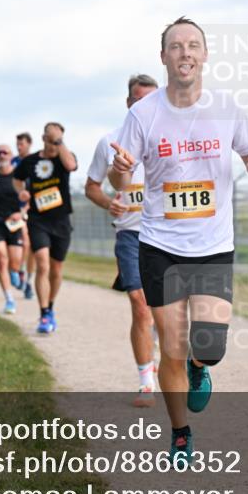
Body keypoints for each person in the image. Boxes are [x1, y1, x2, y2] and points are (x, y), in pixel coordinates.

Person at [109, 16, 248, 463]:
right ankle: (180, 432)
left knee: (209, 347)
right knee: (172, 345)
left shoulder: (226, 108)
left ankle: (203, 369)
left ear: (205, 55)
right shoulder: (143, 114)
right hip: (159, 243)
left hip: (213, 244)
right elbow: (118, 175)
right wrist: (120, 170)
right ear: (163, 57)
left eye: (193, 45)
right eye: (176, 46)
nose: (185, 53)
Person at [86, 73, 159, 406]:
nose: (145, 105)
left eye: (151, 99)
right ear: (129, 104)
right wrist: (108, 202)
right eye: (138, 100)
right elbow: (92, 186)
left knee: (167, 310)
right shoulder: (110, 141)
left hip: (167, 235)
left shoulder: (171, 137)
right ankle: (146, 380)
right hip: (130, 234)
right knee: (140, 305)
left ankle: (166, 353)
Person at [13, 122, 78, 334]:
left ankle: (50, 306)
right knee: (42, 264)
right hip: (38, 219)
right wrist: (22, 192)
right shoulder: (30, 161)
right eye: (51, 141)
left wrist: (61, 144)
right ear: (43, 138)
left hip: (61, 220)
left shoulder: (64, 157)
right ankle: (43, 314)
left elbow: (71, 166)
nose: (53, 145)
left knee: (56, 269)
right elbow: (17, 179)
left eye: (57, 141)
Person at [0, 144, 28, 314]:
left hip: (14, 223)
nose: (2, 155)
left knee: (14, 262)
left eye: (5, 152)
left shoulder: (19, 175)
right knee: (1, 258)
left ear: (11, 156)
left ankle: (16, 272)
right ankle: (9, 299)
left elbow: (29, 199)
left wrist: (21, 212)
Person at [11, 131, 36, 299]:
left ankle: (28, 280)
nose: (19, 147)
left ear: (29, 144)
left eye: (22, 144)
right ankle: (19, 270)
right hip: (14, 210)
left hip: (31, 209)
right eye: (17, 144)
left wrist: (27, 207)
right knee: (24, 244)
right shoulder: (13, 162)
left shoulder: (36, 162)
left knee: (31, 247)